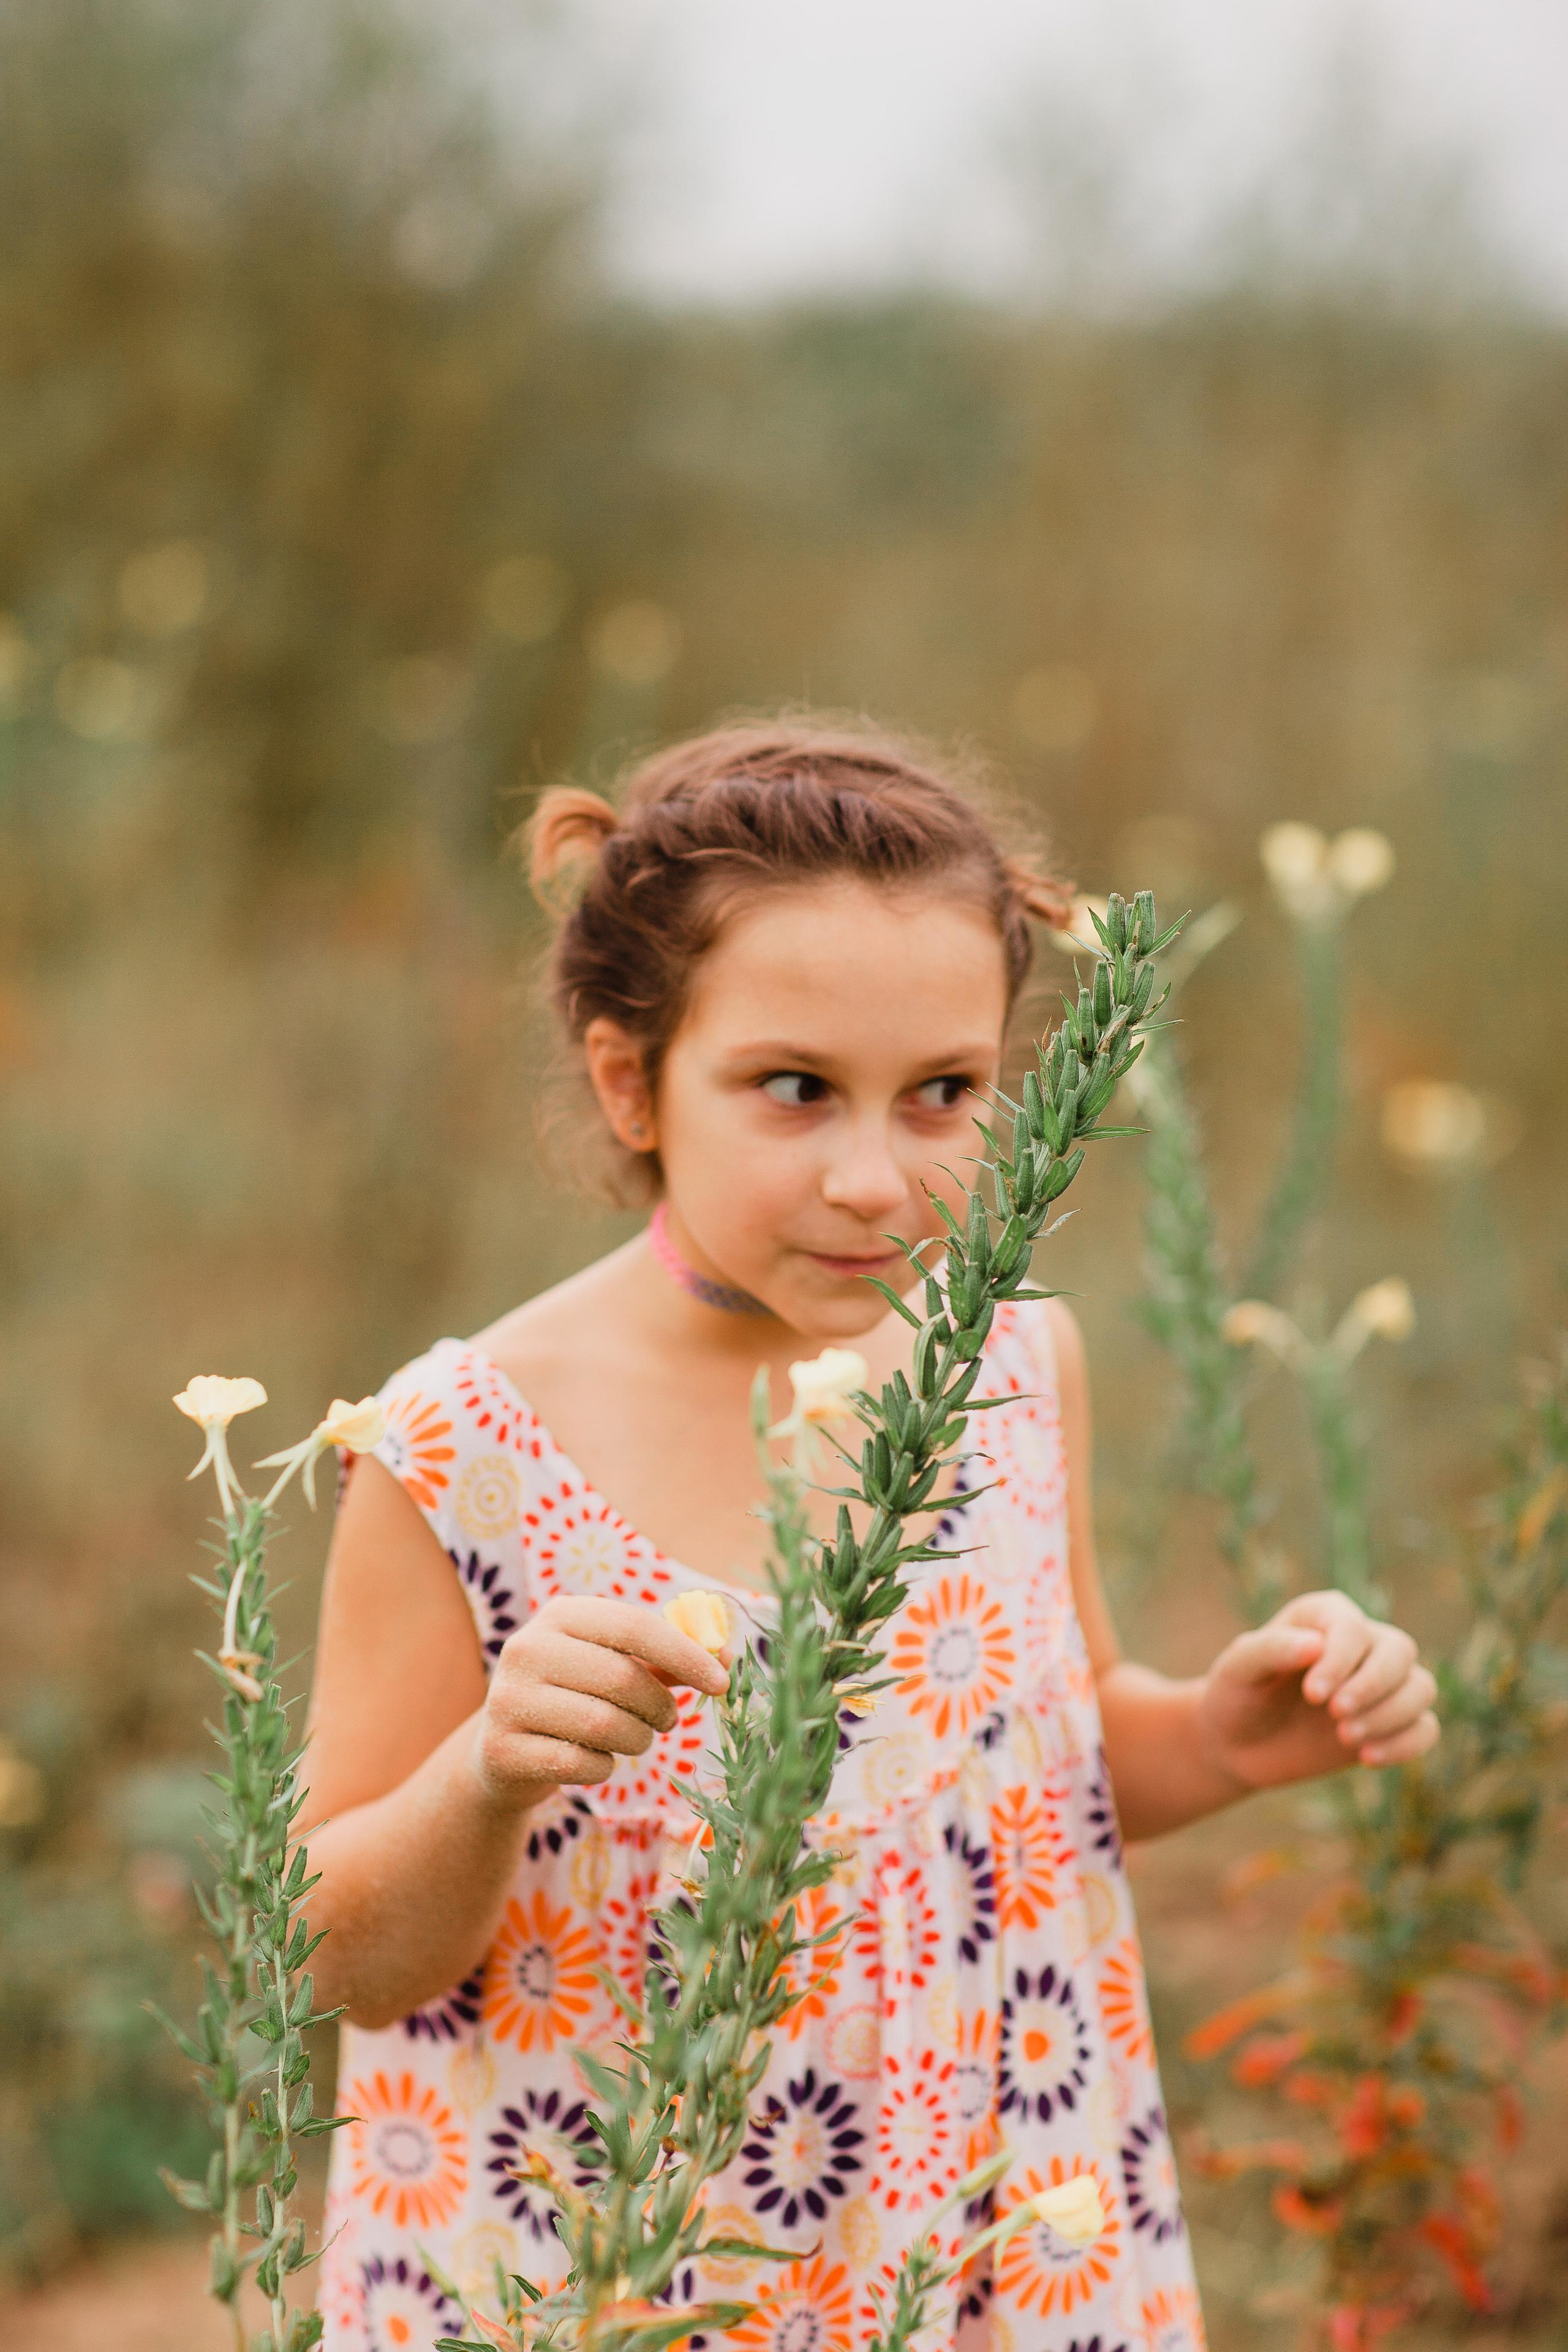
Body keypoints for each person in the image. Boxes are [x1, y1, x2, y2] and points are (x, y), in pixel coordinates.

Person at [304, 720, 1439, 2352]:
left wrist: (1230, 1737)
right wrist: (486, 1771)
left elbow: (1022, 1778)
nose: (873, 1178)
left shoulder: (1015, 1361)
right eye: (792, 1090)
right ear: (632, 1080)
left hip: (981, 2243)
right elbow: (340, 1956)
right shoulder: (458, 1450)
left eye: (944, 1096)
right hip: (602, 2276)